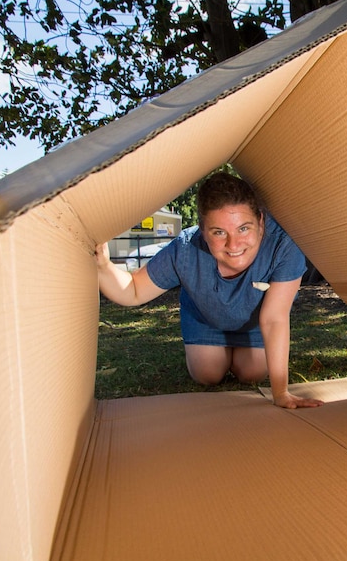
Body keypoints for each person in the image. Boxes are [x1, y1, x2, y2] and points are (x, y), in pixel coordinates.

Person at [95, 172, 324, 409]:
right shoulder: (185, 249)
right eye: (219, 232)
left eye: (243, 229)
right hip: (205, 317)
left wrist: (281, 392)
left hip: (257, 321)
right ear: (202, 230)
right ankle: (214, 346)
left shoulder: (284, 245)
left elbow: (275, 318)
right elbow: (132, 290)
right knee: (207, 374)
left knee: (252, 373)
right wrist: (103, 266)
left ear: (261, 221)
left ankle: (242, 350)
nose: (233, 245)